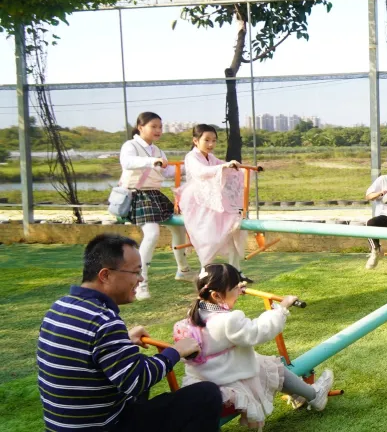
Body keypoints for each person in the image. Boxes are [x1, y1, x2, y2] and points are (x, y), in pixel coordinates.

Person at [37, 234, 219, 431]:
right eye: (136, 272)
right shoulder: (103, 321)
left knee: (136, 373)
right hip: (105, 426)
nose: (141, 278)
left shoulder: (59, 307)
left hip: (64, 426)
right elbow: (137, 380)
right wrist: (176, 351)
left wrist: (124, 341)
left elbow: (82, 353)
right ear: (105, 275)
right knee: (206, 394)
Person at [175, 263, 333, 429]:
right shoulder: (228, 321)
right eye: (234, 288)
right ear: (216, 296)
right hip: (227, 389)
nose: (238, 291)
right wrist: (281, 308)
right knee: (271, 367)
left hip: (204, 381)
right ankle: (315, 395)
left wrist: (235, 290)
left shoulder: (195, 313)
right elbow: (258, 330)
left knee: (261, 363)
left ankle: (300, 394)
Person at [119, 111, 193, 300]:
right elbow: (127, 162)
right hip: (138, 195)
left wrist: (194, 165)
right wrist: (152, 161)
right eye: (153, 126)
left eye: (160, 127)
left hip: (155, 195)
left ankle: (183, 270)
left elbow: (168, 172)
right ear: (140, 127)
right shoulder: (130, 146)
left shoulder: (158, 150)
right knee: (152, 234)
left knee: (179, 227)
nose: (158, 130)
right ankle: (140, 284)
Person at [176, 124, 250, 271]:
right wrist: (224, 167)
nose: (211, 144)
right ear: (195, 141)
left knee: (233, 230)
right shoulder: (191, 157)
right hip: (197, 201)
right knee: (209, 239)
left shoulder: (211, 157)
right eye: (207, 140)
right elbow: (201, 172)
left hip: (213, 198)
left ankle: (236, 271)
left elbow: (222, 166)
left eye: (214, 140)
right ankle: (205, 271)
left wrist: (237, 167)